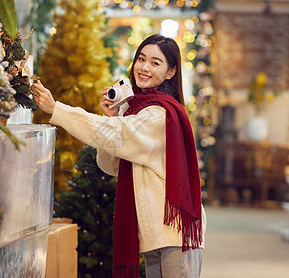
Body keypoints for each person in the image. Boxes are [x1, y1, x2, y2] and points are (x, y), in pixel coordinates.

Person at [32, 34, 206, 278]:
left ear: (170, 72)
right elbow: (110, 163)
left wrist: (56, 109)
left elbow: (116, 136)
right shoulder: (138, 109)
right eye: (141, 59)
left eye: (156, 63)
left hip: (173, 229)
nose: (144, 68)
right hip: (155, 229)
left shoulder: (159, 114)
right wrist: (113, 118)